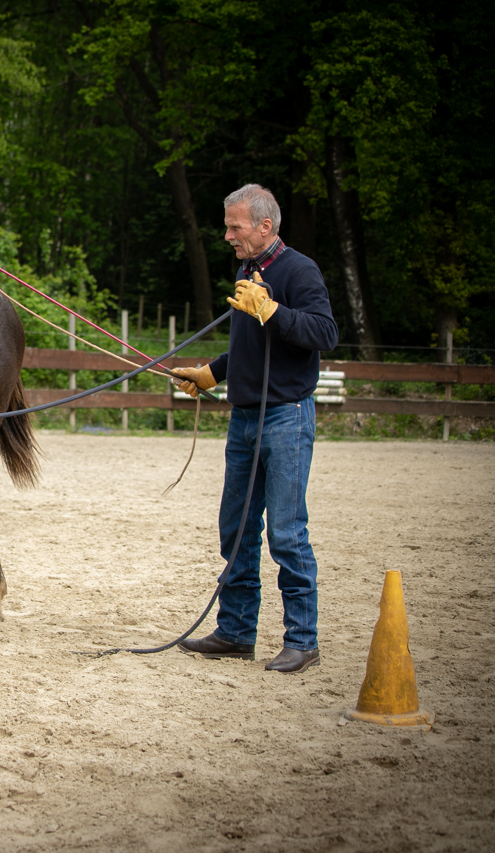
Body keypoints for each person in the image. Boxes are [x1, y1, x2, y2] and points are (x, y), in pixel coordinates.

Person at [174, 184, 338, 673]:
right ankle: (237, 632)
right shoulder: (248, 269)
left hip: (286, 418)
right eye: (227, 226)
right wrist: (212, 373)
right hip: (243, 418)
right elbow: (249, 347)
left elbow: (324, 332)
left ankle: (302, 641)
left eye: (235, 226)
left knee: (287, 533)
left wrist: (273, 311)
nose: (227, 235)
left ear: (265, 226)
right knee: (238, 530)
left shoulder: (299, 270)